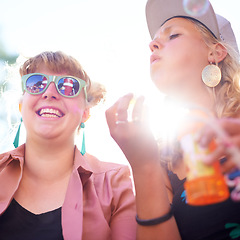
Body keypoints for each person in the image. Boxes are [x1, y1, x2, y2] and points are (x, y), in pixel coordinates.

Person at [105, 0, 240, 239]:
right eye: (154, 41)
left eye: (174, 35)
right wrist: (144, 167)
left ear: (215, 52)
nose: (152, 44)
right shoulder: (162, 159)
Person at [0, 51, 137, 240]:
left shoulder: (114, 183)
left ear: (85, 113)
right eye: (36, 83)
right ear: (22, 106)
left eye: (68, 86)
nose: (49, 93)